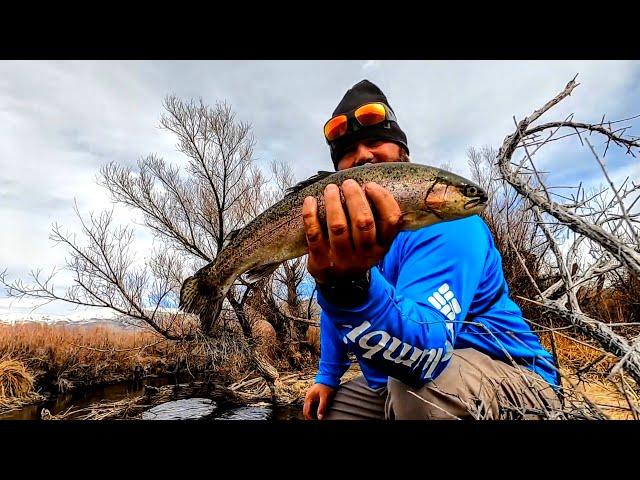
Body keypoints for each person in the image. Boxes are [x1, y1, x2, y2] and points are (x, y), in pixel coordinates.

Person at [301, 79, 562, 420]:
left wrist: (354, 288)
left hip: (511, 373)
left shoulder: (449, 225)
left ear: (404, 157)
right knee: (330, 411)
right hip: (403, 375)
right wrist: (326, 376)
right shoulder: (348, 235)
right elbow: (336, 311)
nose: (363, 155)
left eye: (376, 141)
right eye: (348, 152)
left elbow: (427, 353)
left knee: (420, 394)